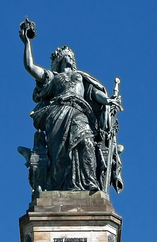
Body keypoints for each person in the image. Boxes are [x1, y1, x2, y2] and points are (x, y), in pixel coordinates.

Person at [21, 28, 122, 193]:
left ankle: (89, 183)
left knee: (86, 142)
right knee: (59, 153)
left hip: (79, 111)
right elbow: (30, 67)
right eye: (67, 55)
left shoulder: (81, 77)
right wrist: (27, 43)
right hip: (57, 113)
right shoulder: (53, 77)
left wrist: (108, 100)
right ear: (60, 60)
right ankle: (54, 185)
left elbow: (94, 93)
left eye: (71, 55)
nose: (70, 57)